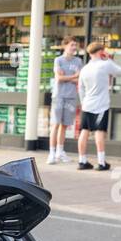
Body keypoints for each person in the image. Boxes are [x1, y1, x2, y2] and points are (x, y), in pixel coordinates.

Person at [76, 40, 121, 171]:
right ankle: (101, 162)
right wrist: (109, 59)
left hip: (87, 104)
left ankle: (82, 161)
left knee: (84, 132)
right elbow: (120, 72)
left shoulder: (85, 68)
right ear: (101, 52)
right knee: (99, 132)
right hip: (101, 105)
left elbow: (80, 88)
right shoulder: (105, 64)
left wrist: (83, 102)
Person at [48, 36, 83, 165]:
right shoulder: (58, 60)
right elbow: (59, 78)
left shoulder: (79, 61)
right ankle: (51, 153)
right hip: (59, 96)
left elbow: (80, 79)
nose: (74, 47)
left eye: (75, 45)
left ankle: (60, 152)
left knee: (64, 126)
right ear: (65, 46)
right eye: (72, 45)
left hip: (71, 97)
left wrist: (66, 77)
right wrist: (73, 76)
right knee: (55, 125)